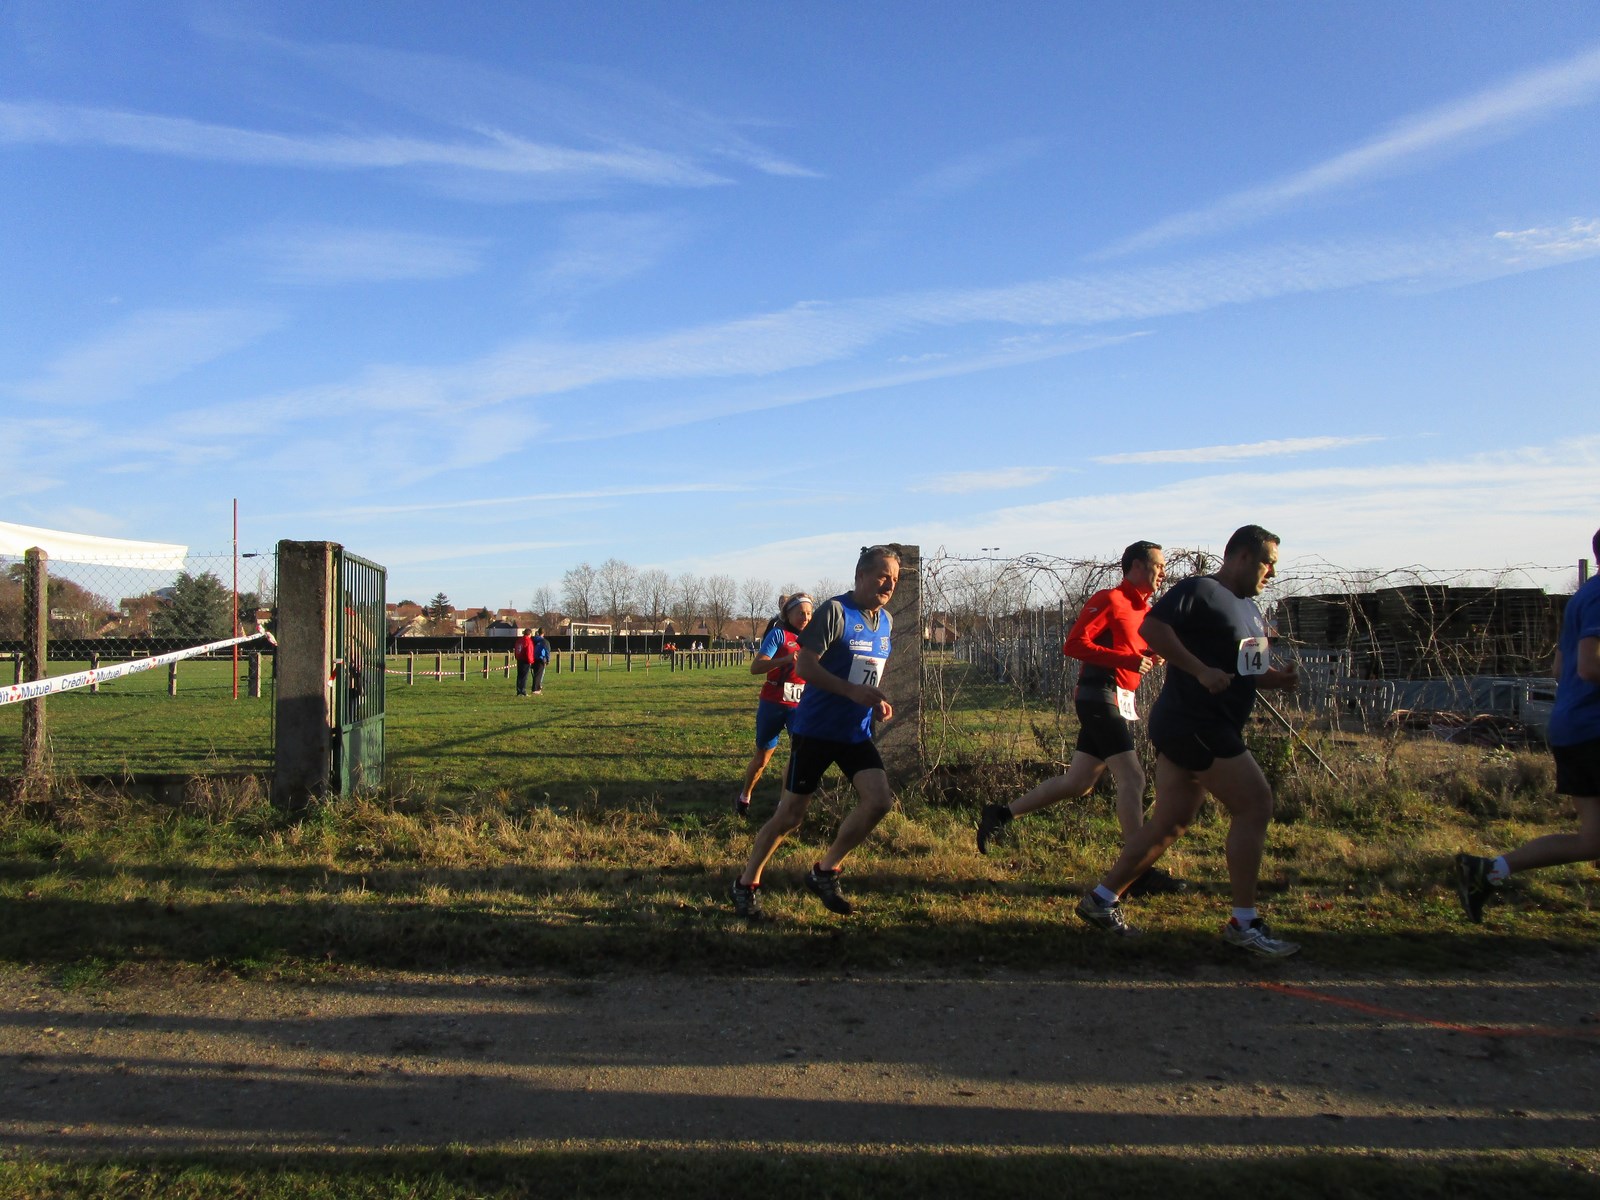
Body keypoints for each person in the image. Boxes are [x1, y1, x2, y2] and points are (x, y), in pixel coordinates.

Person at [1075, 525, 1302, 957]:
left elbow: (1250, 671)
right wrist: (1199, 670)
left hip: (1210, 723)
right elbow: (1154, 629)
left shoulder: (1250, 610)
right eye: (1266, 562)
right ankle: (1244, 922)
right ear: (1240, 557)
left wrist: (1279, 679)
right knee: (1255, 804)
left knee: (1171, 822)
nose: (1271, 572)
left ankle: (1101, 900)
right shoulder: (1200, 590)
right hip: (1196, 722)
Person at [976, 541, 1185, 897]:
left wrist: (1148, 656)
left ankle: (1000, 814)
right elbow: (1073, 644)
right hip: (1097, 695)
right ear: (1136, 566)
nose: (1164, 572)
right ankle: (1138, 871)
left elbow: (1128, 651)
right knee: (1132, 777)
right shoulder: (1110, 599)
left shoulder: (1144, 610)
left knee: (1079, 783)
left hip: (1118, 698)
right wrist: (1127, 659)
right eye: (1159, 565)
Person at [731, 546, 900, 919]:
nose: (889, 585)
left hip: (855, 732)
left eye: (894, 579)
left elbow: (867, 673)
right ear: (860, 575)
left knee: (879, 801)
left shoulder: (886, 621)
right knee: (790, 816)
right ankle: (746, 883)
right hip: (816, 731)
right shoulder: (835, 612)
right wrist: (850, 691)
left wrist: (874, 700)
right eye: (882, 576)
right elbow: (805, 667)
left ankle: (825, 871)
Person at [1455, 528, 1600, 922]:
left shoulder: (1583, 596)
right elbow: (1589, 666)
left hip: (1573, 726)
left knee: (1593, 839)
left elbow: (1559, 669)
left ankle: (1488, 871)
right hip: (1594, 731)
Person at [734, 593, 815, 816]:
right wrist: (786, 659)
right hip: (773, 702)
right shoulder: (779, 634)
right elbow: (756, 667)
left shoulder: (814, 638)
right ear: (788, 614)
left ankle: (783, 806)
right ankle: (745, 796)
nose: (805, 618)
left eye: (809, 614)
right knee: (762, 757)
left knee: (797, 756)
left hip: (799, 705)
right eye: (801, 613)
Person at [512, 627, 536, 696]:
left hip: (519, 659)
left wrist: (517, 657)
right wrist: (531, 661)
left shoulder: (519, 640)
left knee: (519, 676)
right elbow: (529, 652)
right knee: (524, 676)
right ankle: (522, 691)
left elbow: (516, 649)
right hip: (525, 660)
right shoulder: (528, 641)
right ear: (530, 634)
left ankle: (519, 690)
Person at [530, 627, 550, 694]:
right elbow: (547, 651)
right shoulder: (544, 641)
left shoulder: (533, 640)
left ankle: (536, 687)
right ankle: (536, 689)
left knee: (535, 674)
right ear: (543, 633)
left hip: (533, 658)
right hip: (541, 659)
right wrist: (548, 660)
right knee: (539, 674)